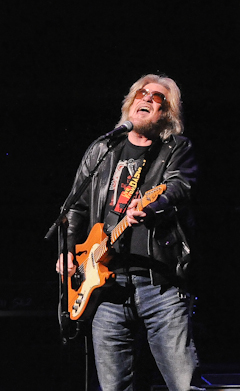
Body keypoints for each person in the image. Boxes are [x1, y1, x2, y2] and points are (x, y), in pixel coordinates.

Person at [56, 74, 199, 390]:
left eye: (158, 97)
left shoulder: (176, 148)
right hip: (106, 287)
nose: (147, 98)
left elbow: (179, 186)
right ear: (130, 102)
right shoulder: (103, 149)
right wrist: (67, 249)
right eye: (142, 93)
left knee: (183, 383)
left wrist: (149, 207)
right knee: (113, 386)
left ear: (168, 112)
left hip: (159, 285)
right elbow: (75, 208)